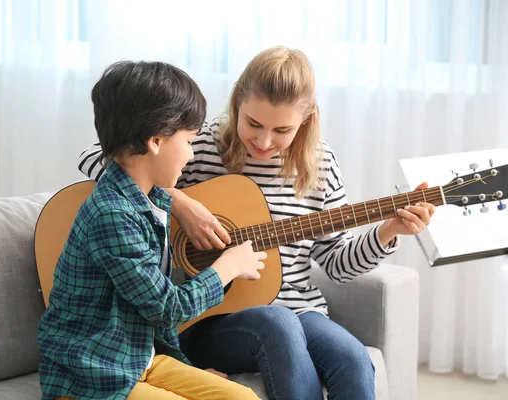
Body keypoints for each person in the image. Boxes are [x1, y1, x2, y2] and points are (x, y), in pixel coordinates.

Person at [77, 47, 435, 400]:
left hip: (299, 308)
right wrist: (180, 203)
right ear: (237, 104)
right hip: (205, 317)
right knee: (277, 325)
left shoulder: (321, 166)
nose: (263, 141)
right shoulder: (198, 144)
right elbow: (97, 158)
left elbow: (337, 264)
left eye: (281, 130)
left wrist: (389, 231)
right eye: (253, 124)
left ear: (306, 118)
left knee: (353, 359)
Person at [37, 60, 267, 400]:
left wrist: (185, 367)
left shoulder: (151, 202)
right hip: (93, 373)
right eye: (189, 141)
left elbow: (151, 312)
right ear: (156, 140)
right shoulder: (111, 214)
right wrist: (227, 267)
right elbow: (167, 307)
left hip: (137, 358)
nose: (190, 155)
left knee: (243, 397)